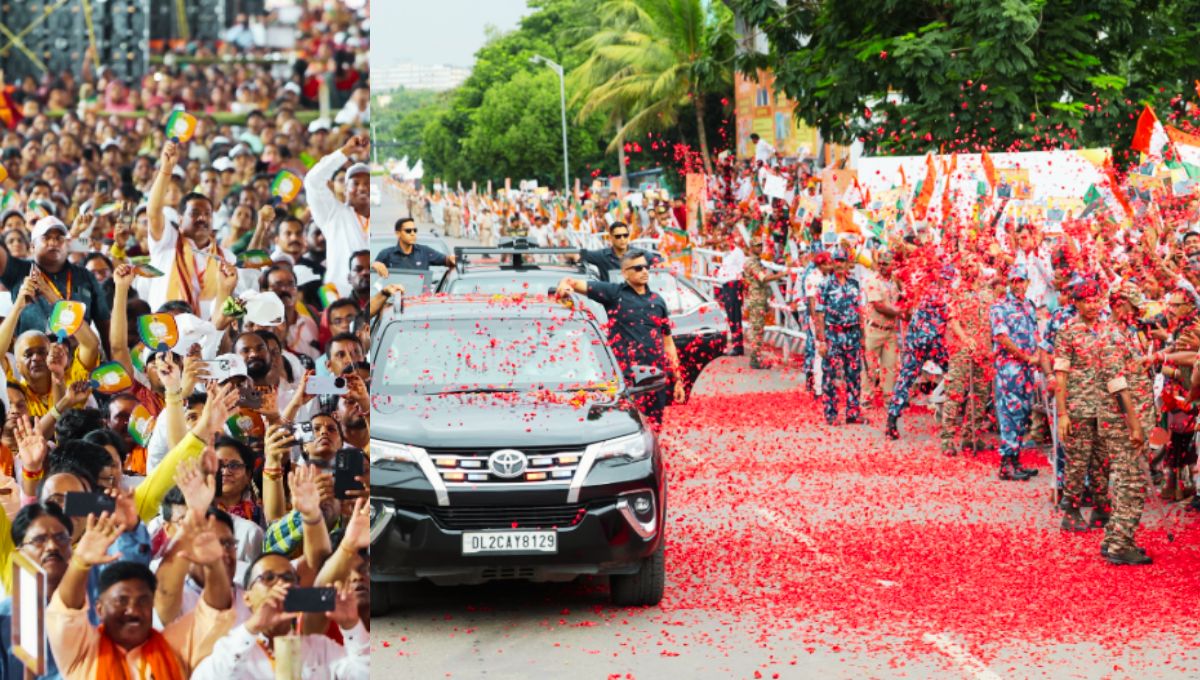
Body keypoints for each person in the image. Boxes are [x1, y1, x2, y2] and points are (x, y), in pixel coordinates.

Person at [1053, 279, 1147, 554]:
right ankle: (1070, 507)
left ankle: (1100, 507)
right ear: (1077, 303)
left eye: (1096, 300)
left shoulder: (1108, 330)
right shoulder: (1068, 331)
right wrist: (1062, 413)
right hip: (1079, 406)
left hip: (1106, 408)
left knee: (1102, 460)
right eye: (1086, 301)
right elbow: (1061, 374)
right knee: (1078, 460)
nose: (1092, 305)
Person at [555, 251, 686, 428]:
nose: (645, 271)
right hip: (626, 378)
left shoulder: (658, 301)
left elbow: (668, 342)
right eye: (638, 268)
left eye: (646, 267)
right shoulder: (613, 293)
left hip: (654, 377)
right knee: (628, 426)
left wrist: (678, 379)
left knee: (655, 426)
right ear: (625, 272)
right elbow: (572, 283)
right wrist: (564, 285)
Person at [190, 552, 369, 679]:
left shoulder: (318, 647)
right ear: (247, 598)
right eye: (268, 578)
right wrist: (252, 627)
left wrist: (351, 626)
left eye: (288, 578)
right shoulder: (231, 649)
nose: (281, 584)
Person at [886, 265, 952, 440]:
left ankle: (892, 420)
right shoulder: (946, 296)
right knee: (953, 375)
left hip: (917, 342)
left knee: (905, 379)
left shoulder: (925, 289)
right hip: (933, 343)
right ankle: (953, 420)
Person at [990, 266, 1041, 481]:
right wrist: (1025, 357)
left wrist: (1036, 356)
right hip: (1010, 369)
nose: (1019, 285)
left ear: (1028, 283)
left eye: (1022, 281)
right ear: (1009, 283)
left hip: (1027, 370)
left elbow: (1035, 334)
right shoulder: (999, 307)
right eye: (1015, 281)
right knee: (1009, 415)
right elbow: (1001, 337)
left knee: (1022, 414)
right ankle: (1005, 464)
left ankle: (1016, 461)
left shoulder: (1029, 306)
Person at [304, 135, 371, 298]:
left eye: (368, 183)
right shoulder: (332, 214)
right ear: (345, 189)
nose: (362, 188)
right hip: (338, 301)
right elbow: (313, 181)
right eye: (355, 183)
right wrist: (346, 151)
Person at [813, 249, 864, 425]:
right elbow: (818, 314)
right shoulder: (824, 285)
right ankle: (831, 414)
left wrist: (862, 337)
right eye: (837, 260)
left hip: (853, 334)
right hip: (833, 334)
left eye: (843, 260)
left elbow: (860, 311)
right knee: (830, 375)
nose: (840, 264)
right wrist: (821, 341)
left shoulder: (854, 284)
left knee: (854, 375)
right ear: (833, 263)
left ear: (847, 262)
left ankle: (853, 412)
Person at [861, 252, 901, 405]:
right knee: (869, 365)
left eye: (886, 264)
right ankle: (866, 397)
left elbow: (903, 296)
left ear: (893, 265)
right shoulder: (872, 280)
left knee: (889, 366)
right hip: (874, 329)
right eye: (881, 264)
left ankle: (888, 397)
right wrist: (899, 312)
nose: (882, 267)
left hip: (890, 330)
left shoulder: (894, 282)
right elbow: (878, 306)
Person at [742, 237, 786, 369]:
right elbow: (763, 278)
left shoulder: (755, 261)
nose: (759, 248)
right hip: (756, 300)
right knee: (757, 330)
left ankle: (756, 358)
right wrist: (781, 275)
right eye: (757, 246)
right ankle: (755, 360)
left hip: (758, 298)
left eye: (760, 246)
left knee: (757, 329)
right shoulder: (752, 263)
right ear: (751, 248)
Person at [371, 217, 455, 275]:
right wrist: (375, 265)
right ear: (398, 233)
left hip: (419, 298)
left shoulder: (425, 252)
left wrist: (452, 259)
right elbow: (373, 270)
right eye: (408, 231)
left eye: (415, 230)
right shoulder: (386, 254)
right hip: (394, 299)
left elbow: (446, 260)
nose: (412, 233)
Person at [713, 233, 747, 356]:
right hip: (726, 286)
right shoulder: (726, 254)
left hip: (734, 285)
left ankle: (738, 346)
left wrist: (741, 287)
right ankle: (735, 343)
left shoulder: (738, 252)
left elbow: (743, 270)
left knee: (735, 316)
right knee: (730, 316)